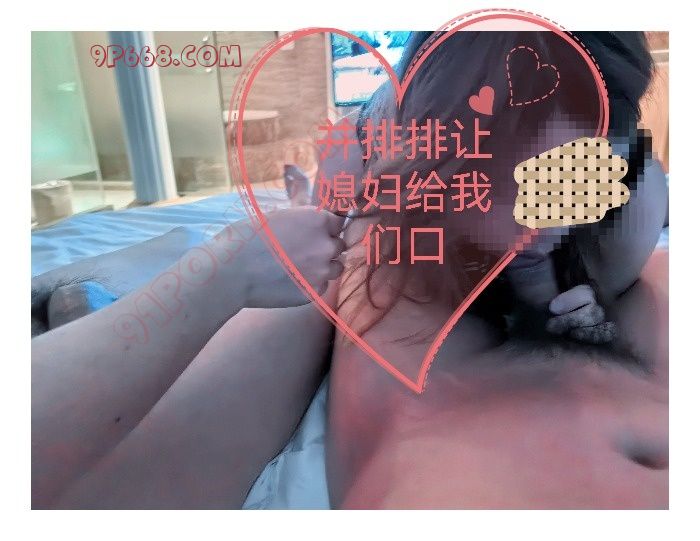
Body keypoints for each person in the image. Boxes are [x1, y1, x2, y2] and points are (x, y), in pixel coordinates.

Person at [31, 30, 668, 509]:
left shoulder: (617, 195)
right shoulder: (372, 219)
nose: (548, 219)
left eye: (583, 175)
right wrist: (221, 275)